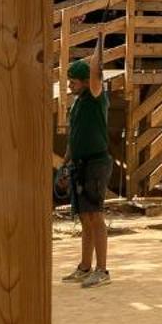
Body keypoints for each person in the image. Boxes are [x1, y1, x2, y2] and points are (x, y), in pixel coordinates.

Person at [62, 58, 112, 288]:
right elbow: (74, 136)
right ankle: (85, 267)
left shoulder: (95, 97)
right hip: (79, 164)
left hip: (96, 162)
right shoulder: (77, 103)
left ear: (85, 82)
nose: (69, 85)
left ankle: (102, 270)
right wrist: (65, 163)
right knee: (84, 217)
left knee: (95, 215)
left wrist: (100, 39)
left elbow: (96, 72)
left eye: (73, 81)